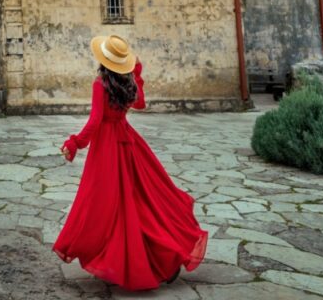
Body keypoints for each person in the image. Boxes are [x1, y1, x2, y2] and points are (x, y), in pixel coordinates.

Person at [53, 34, 209, 291]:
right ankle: (153, 255)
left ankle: (120, 259)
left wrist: (74, 143)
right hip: (128, 143)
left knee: (104, 203)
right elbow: (140, 104)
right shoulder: (127, 84)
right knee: (142, 199)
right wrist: (135, 76)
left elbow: (95, 122)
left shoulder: (100, 84)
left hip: (107, 148)